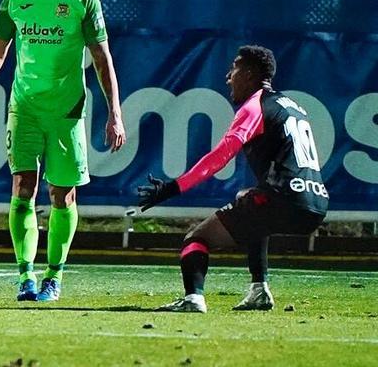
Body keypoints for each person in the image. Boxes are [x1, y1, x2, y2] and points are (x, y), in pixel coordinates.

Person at [0, 0, 126, 302]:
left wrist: (115, 112)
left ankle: (55, 276)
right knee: (23, 187)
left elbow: (102, 58)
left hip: (66, 112)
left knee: (62, 194)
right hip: (24, 108)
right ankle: (26, 276)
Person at [137, 45, 329, 313]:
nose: (229, 76)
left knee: (197, 237)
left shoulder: (255, 106)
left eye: (234, 68)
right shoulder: (293, 106)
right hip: (317, 204)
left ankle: (193, 299)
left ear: (249, 73)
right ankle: (259, 289)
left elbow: (220, 157)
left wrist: (172, 188)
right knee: (247, 199)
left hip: (284, 198)